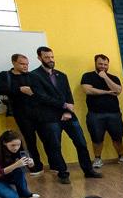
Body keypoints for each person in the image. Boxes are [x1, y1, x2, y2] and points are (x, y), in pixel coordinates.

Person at [28, 46, 102, 184]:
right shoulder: (34, 76)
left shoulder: (61, 75)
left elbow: (68, 94)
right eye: (46, 57)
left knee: (81, 143)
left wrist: (68, 110)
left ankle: (88, 170)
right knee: (55, 146)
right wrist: (63, 106)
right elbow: (41, 97)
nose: (50, 60)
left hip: (68, 115)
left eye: (52, 57)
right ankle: (63, 173)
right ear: (39, 58)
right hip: (49, 117)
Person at [0, 53, 44, 175]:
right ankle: (35, 166)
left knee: (46, 138)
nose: (25, 66)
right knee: (29, 140)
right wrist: (19, 90)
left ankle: (53, 165)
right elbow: (1, 89)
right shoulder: (5, 75)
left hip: (38, 112)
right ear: (14, 63)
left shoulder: (32, 76)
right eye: (22, 64)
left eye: (27, 64)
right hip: (21, 113)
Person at [81, 54, 123, 168]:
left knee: (118, 136)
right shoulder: (87, 76)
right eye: (100, 64)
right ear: (95, 63)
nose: (103, 66)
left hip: (114, 113)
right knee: (97, 137)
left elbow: (118, 90)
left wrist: (105, 77)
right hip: (95, 114)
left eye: (105, 64)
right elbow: (88, 90)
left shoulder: (113, 77)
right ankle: (98, 159)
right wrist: (107, 92)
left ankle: (121, 157)